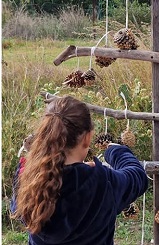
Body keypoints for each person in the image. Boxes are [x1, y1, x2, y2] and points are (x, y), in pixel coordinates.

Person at [11, 95, 148, 245]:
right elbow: (138, 176)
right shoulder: (101, 181)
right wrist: (115, 151)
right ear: (87, 138)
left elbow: (18, 211)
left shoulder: (28, 177)